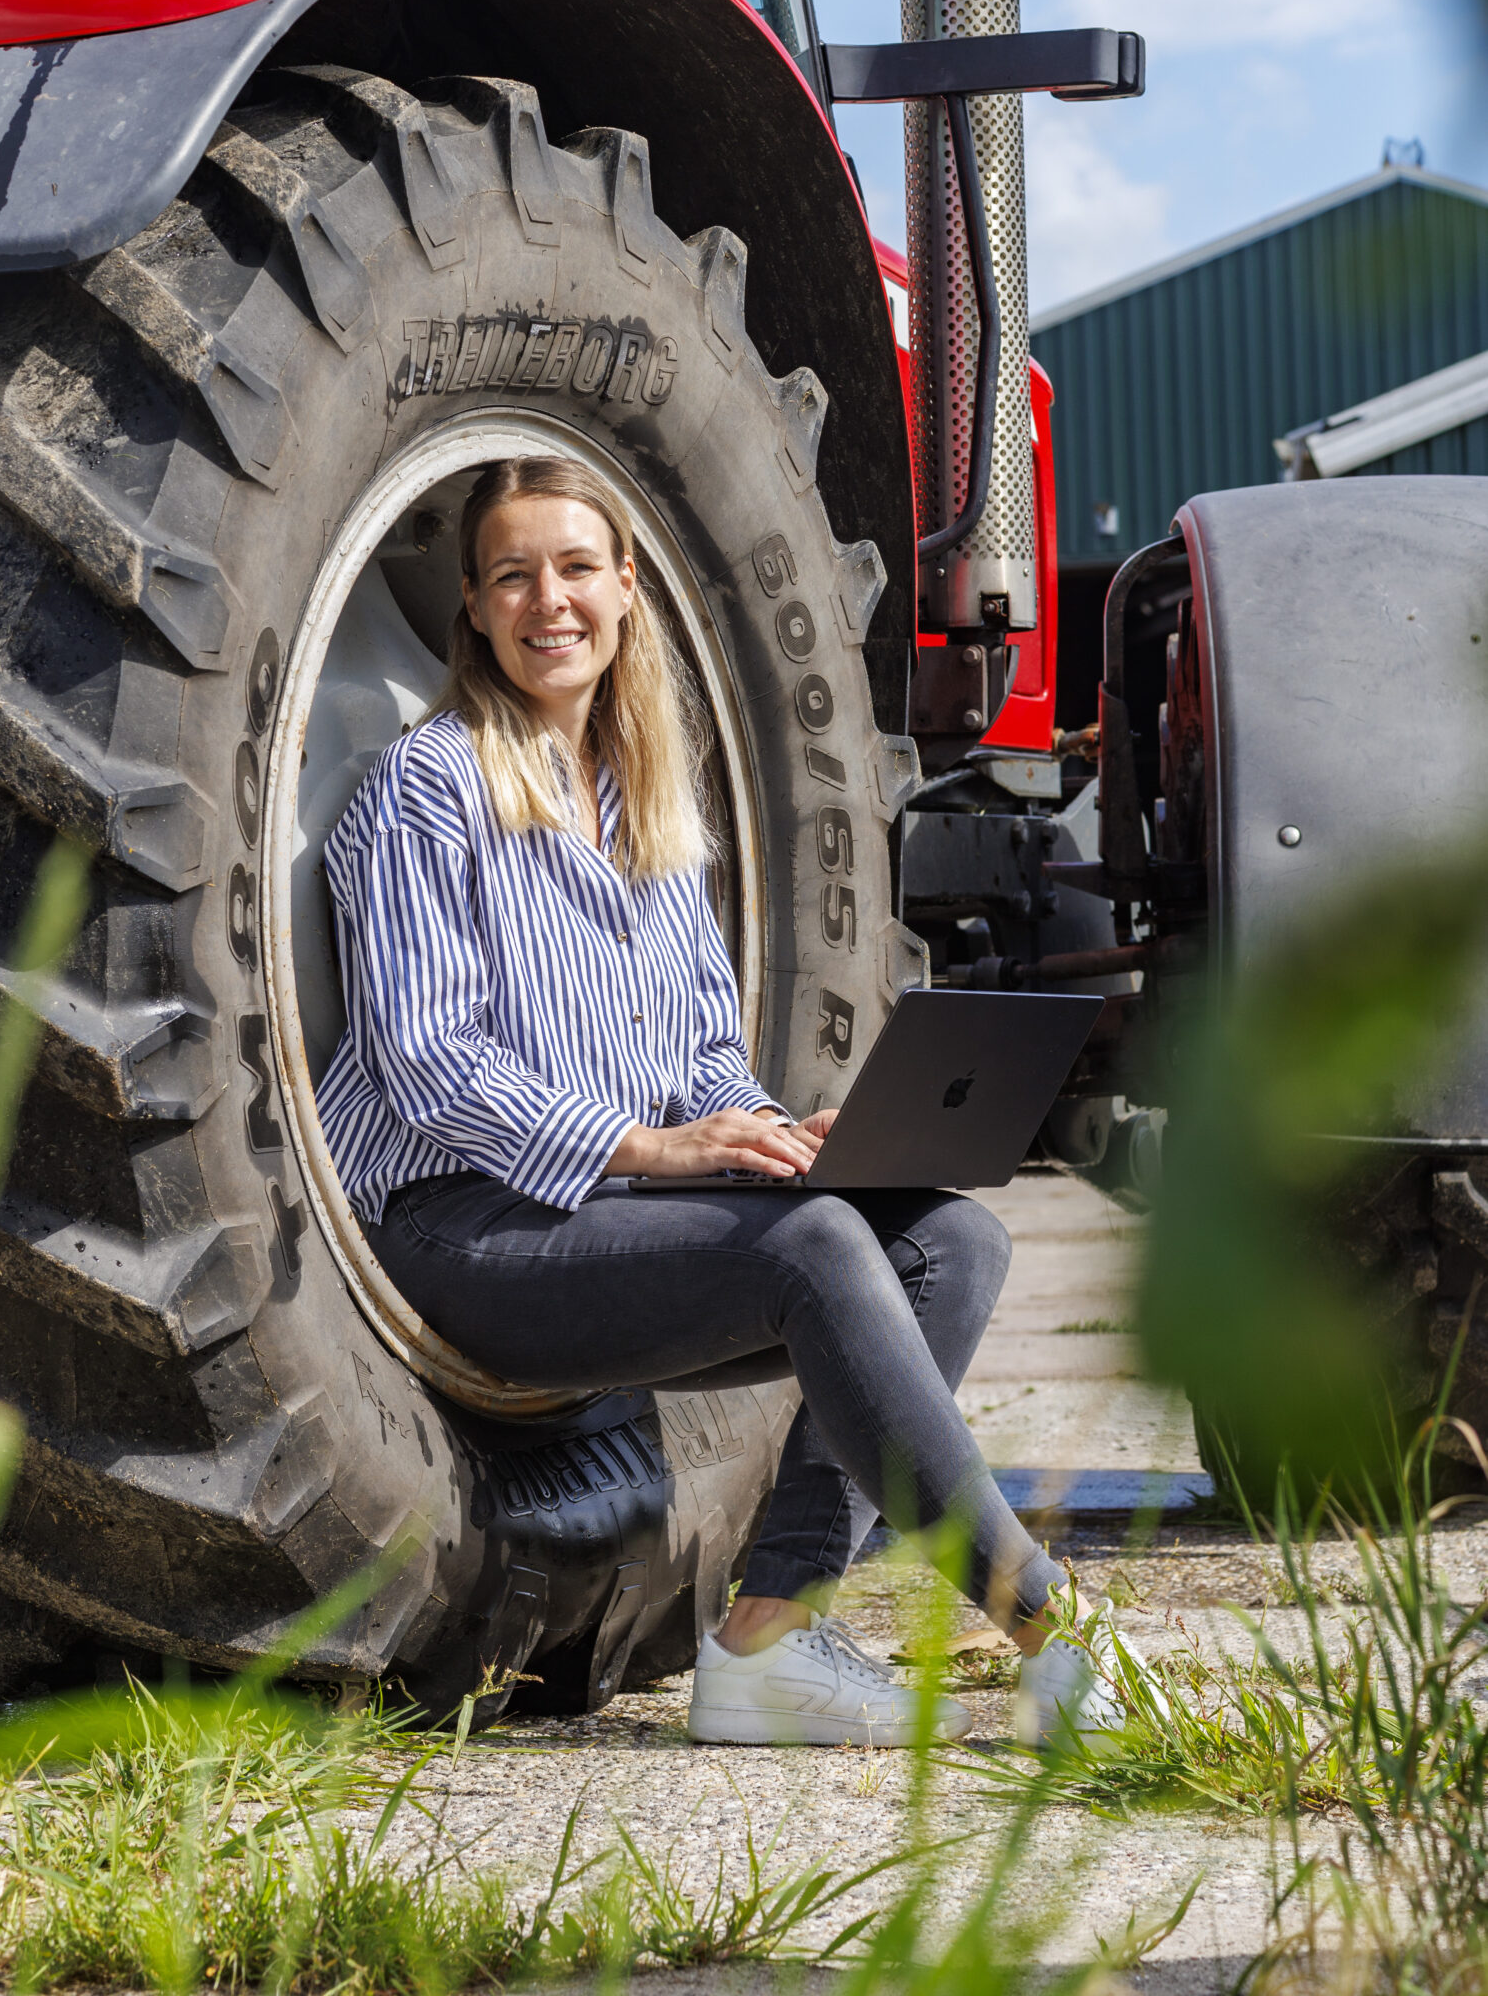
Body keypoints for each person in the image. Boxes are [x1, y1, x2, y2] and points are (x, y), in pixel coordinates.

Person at [316, 455, 1135, 1749]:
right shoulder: (433, 786)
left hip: (601, 1210)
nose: (549, 602)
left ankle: (770, 1637)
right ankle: (1045, 1617)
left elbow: (700, 1052)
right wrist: (651, 1148)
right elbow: (425, 1056)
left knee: (951, 1241)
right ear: (471, 605)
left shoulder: (646, 798)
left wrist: (770, 1133)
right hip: (457, 1223)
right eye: (513, 577)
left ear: (625, 587)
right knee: (815, 1249)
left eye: (576, 568)